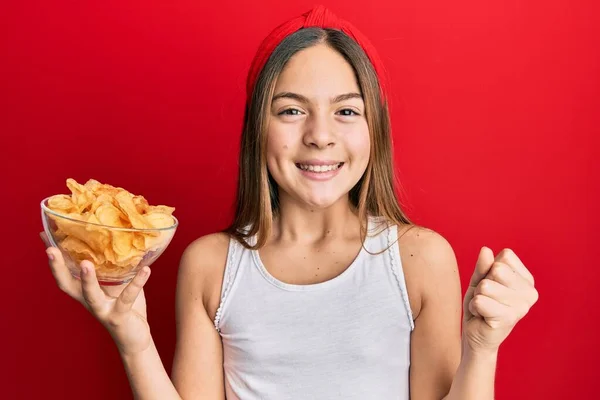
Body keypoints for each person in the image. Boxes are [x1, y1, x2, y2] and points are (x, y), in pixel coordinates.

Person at [41, 5, 539, 400]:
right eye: (291, 110)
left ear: (375, 131)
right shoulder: (211, 266)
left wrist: (482, 347)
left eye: (346, 110)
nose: (320, 136)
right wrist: (132, 337)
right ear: (258, 127)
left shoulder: (420, 259)